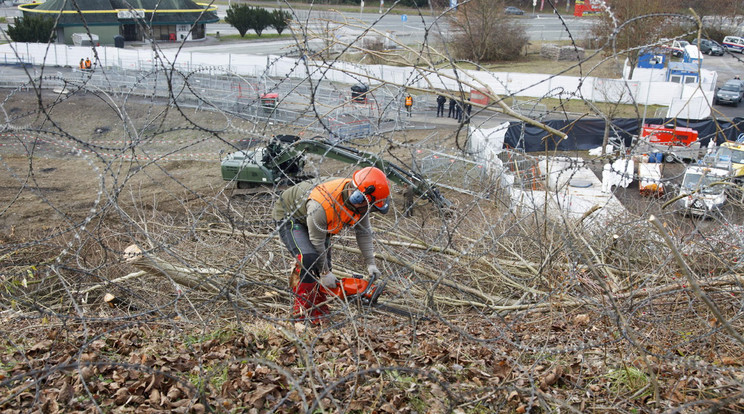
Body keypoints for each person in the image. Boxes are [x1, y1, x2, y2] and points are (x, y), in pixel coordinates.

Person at [272, 166, 389, 323]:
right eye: (371, 207)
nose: (370, 211)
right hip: (291, 215)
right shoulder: (322, 205)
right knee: (308, 258)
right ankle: (302, 311)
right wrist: (326, 273)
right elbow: (317, 241)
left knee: (323, 265)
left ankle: (319, 308)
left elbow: (363, 233)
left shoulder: (361, 205)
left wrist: (371, 264)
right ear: (359, 198)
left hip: (319, 222)